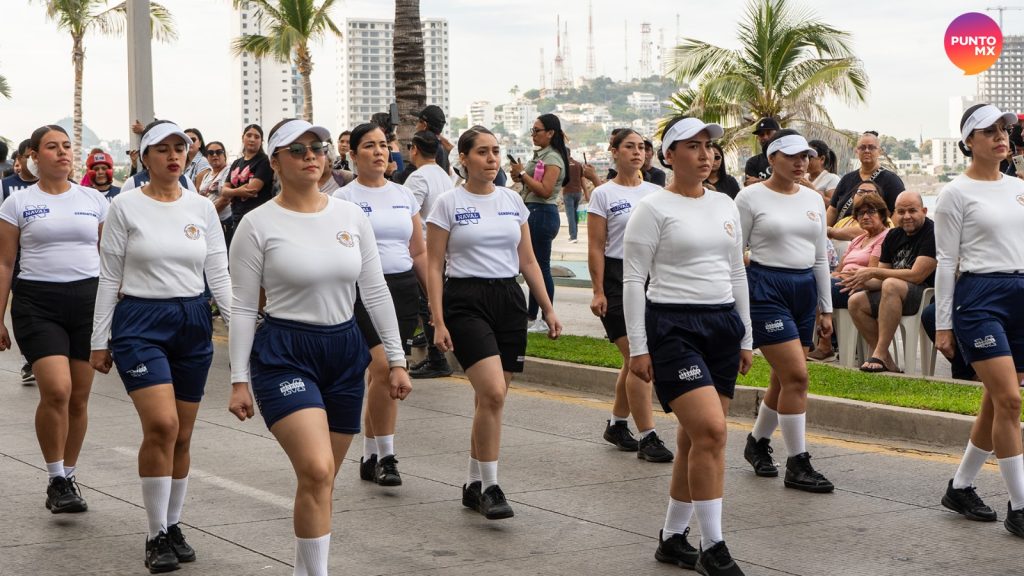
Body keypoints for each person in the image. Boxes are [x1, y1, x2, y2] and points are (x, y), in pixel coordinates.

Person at [228, 118, 411, 576]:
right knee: (314, 468)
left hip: (344, 349)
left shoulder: (350, 216)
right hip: (285, 352)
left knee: (325, 477)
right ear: (275, 162)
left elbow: (375, 291)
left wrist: (396, 359)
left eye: (318, 147)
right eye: (298, 149)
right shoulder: (256, 224)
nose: (311, 155)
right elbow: (244, 307)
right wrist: (238, 379)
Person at [88, 121, 232, 573]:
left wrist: (242, 327)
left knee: (183, 434)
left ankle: (172, 525)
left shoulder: (202, 207)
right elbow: (109, 276)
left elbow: (218, 275)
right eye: (162, 149)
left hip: (191, 321)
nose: (174, 156)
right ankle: (154, 534)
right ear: (144, 156)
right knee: (162, 425)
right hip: (140, 324)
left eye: (180, 148)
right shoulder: (125, 207)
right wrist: (98, 340)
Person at [623, 116, 752, 575]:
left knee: (694, 437)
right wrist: (639, 347)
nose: (705, 154)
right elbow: (634, 278)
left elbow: (737, 273)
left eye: (709, 147)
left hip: (721, 325)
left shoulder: (725, 205)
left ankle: (673, 537)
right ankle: (713, 545)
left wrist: (746, 336)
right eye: (693, 146)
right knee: (713, 433)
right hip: (673, 326)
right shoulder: (653, 209)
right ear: (669, 155)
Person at [426, 125, 562, 520]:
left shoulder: (511, 201)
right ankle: (490, 486)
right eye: (482, 152)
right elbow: (434, 265)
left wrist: (548, 307)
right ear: (463, 159)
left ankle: (472, 482)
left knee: (490, 400)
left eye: (496, 151)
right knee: (494, 393)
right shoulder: (448, 204)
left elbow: (529, 261)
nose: (491, 158)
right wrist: (437, 318)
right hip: (465, 301)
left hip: (508, 300)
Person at [0, 125, 108, 516]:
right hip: (37, 303)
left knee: (79, 398)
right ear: (34, 155)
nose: (62, 153)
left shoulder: (95, 200)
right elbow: (5, 262)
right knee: (57, 390)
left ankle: (68, 476)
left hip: (88, 303)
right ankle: (54, 475)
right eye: (52, 147)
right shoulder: (17, 203)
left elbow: (109, 259)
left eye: (66, 146)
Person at [934, 104, 1024, 538]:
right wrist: (944, 324)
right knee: (1009, 399)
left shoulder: (1017, 187)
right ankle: (1020, 506)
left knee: (996, 397)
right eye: (988, 131)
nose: (1000, 137)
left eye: (1004, 129)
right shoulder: (955, 193)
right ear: (969, 141)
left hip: (1019, 295)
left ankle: (961, 485)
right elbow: (947, 260)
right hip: (979, 298)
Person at [735, 129, 835, 493]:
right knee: (796, 377)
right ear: (770, 159)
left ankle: (757, 442)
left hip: (804, 288)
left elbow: (820, 255)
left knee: (783, 377)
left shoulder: (812, 199)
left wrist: (826, 307)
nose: (800, 163)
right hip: (766, 287)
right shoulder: (748, 197)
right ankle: (799, 462)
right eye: (791, 156)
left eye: (805, 156)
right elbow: (733, 251)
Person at [334, 122, 426, 488]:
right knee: (384, 366)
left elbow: (418, 250)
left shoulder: (404, 196)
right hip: (361, 290)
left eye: (384, 145)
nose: (379, 152)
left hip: (402, 288)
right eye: (369, 146)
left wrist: (434, 298)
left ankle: (371, 454)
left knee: (382, 373)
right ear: (353, 155)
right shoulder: (342, 201)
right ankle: (386, 455)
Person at [587, 128, 673, 463]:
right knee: (639, 355)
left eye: (642, 147)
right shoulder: (603, 195)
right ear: (614, 152)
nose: (637, 153)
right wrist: (597, 290)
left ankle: (617, 424)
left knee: (632, 357)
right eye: (629, 147)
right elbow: (596, 246)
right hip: (616, 278)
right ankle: (648, 434)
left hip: (651, 277)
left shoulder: (656, 192)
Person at [843, 191, 936, 373]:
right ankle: (886, 360)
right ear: (895, 213)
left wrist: (873, 271)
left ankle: (878, 353)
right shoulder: (893, 235)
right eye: (901, 212)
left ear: (924, 211)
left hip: (924, 295)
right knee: (856, 301)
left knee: (891, 284)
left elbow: (917, 275)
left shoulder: (932, 232)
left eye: (912, 211)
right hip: (894, 294)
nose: (906, 216)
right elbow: (879, 279)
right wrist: (859, 279)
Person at [806, 193, 890, 362]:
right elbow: (840, 268)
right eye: (860, 213)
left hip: (860, 285)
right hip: (843, 281)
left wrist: (837, 277)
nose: (865, 216)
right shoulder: (859, 239)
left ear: (882, 214)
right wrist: (834, 274)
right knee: (810, 281)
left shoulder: (885, 237)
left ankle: (824, 345)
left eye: (871, 212)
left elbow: (872, 271)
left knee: (814, 286)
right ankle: (808, 341)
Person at [510, 113, 569, 333]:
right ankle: (533, 316)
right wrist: (520, 176)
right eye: (532, 130)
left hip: (542, 212)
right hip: (534, 211)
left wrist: (523, 175)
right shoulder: (543, 156)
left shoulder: (552, 158)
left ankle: (545, 317)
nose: (533, 134)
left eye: (537, 130)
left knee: (540, 267)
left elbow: (544, 191)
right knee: (533, 267)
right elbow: (533, 183)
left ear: (550, 133)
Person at [404, 130, 455, 380]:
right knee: (431, 302)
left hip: (422, 248)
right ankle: (435, 355)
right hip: (442, 248)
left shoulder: (417, 178)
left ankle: (436, 358)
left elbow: (408, 213)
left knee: (425, 304)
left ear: (414, 149)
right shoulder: (445, 176)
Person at [2, 138, 40, 385]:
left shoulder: (58, 187)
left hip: (41, 265)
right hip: (15, 262)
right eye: (24, 156)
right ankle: (30, 358)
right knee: (25, 311)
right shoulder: (7, 188)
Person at [827, 131, 905, 236]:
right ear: (856, 151)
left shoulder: (891, 180)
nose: (867, 151)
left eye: (871, 147)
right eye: (862, 148)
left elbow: (898, 211)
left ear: (880, 151)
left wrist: (888, 237)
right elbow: (833, 209)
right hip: (838, 236)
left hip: (872, 238)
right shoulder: (847, 179)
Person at [221, 124, 274, 246]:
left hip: (257, 219)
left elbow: (251, 190)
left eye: (257, 137)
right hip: (237, 217)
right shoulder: (236, 163)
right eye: (249, 135)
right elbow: (223, 191)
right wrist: (238, 191)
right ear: (242, 138)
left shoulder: (264, 161)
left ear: (261, 141)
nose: (252, 139)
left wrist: (232, 192)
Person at [196, 141, 232, 235]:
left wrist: (207, 216)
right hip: (208, 223)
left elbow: (225, 199)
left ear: (224, 155)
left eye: (219, 152)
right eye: (210, 153)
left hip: (224, 223)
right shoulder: (206, 175)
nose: (215, 155)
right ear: (207, 157)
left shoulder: (229, 171)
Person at [743, 117, 779, 186]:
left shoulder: (788, 157)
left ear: (778, 134)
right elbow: (751, 188)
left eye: (768, 133)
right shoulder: (753, 162)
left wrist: (759, 181)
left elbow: (790, 183)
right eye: (761, 135)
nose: (765, 137)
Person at [804, 140, 839, 204]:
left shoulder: (832, 179)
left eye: (809, 157)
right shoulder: (804, 176)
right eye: (804, 156)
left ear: (822, 159)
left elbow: (833, 206)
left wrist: (812, 190)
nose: (806, 161)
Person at [563, 152, 587, 244]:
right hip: (578, 192)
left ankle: (573, 237)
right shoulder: (578, 164)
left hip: (568, 192)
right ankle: (574, 235)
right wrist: (586, 192)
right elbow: (582, 179)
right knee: (575, 214)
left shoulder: (563, 164)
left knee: (570, 215)